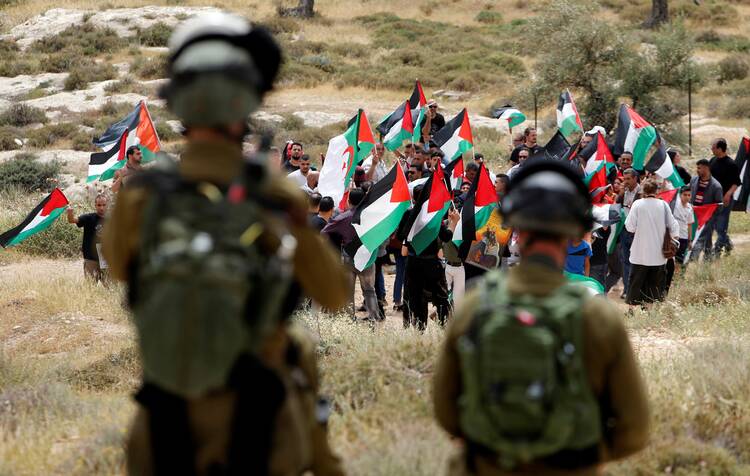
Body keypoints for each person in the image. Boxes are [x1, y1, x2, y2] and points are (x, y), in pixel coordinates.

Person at [103, 13, 348, 476]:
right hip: (263, 428)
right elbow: (334, 294)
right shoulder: (275, 196)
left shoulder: (141, 196)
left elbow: (119, 269)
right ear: (247, 102)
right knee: (300, 347)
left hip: (163, 426)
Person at [433, 160, 649, 475]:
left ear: (517, 230)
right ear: (575, 231)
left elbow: (446, 413)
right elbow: (634, 429)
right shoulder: (598, 315)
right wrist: (581, 455)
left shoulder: (477, 305)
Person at [321, 188, 382, 322]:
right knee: (369, 290)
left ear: (349, 201)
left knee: (348, 291)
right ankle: (374, 317)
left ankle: (349, 319)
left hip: (349, 258)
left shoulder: (343, 217)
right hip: (367, 256)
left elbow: (324, 231)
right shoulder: (371, 217)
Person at [624, 180, 679, 306]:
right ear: (657, 191)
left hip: (640, 253)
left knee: (636, 283)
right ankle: (649, 310)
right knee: (654, 285)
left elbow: (629, 227)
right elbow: (674, 227)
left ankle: (631, 310)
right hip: (658, 255)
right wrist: (673, 241)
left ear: (643, 191)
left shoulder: (637, 204)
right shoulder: (663, 205)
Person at [709, 138, 742, 256]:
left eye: (713, 147)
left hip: (725, 199)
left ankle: (716, 252)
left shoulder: (731, 164)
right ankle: (728, 244)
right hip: (712, 200)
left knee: (721, 226)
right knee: (715, 226)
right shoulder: (712, 160)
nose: (711, 149)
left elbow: (736, 183)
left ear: (719, 149)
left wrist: (728, 195)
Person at [67, 193, 109, 282]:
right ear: (95, 205)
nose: (101, 207)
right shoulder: (89, 218)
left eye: (104, 205)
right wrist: (70, 213)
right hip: (91, 259)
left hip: (106, 258)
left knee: (110, 287)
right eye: (99, 205)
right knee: (91, 286)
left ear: (107, 205)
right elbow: (72, 220)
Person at [689, 159, 723, 261]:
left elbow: (719, 206)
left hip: (707, 219)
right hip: (693, 216)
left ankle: (693, 260)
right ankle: (707, 260)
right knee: (704, 239)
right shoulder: (693, 180)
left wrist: (709, 215)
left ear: (706, 168)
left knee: (702, 238)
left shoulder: (716, 186)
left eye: (699, 168)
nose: (697, 170)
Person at [617, 168, 640, 299]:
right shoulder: (624, 191)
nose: (626, 182)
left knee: (635, 261)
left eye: (628, 179)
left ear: (635, 178)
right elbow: (617, 204)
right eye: (624, 179)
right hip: (625, 229)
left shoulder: (641, 192)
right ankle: (627, 289)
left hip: (636, 231)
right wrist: (621, 191)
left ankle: (634, 289)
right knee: (625, 261)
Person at [665, 186, 694, 291]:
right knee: (670, 259)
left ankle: (675, 283)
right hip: (673, 237)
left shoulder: (690, 208)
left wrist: (690, 240)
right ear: (680, 195)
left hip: (684, 238)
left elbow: (690, 224)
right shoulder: (674, 205)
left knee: (679, 261)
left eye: (689, 195)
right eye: (685, 195)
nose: (687, 197)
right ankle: (668, 279)